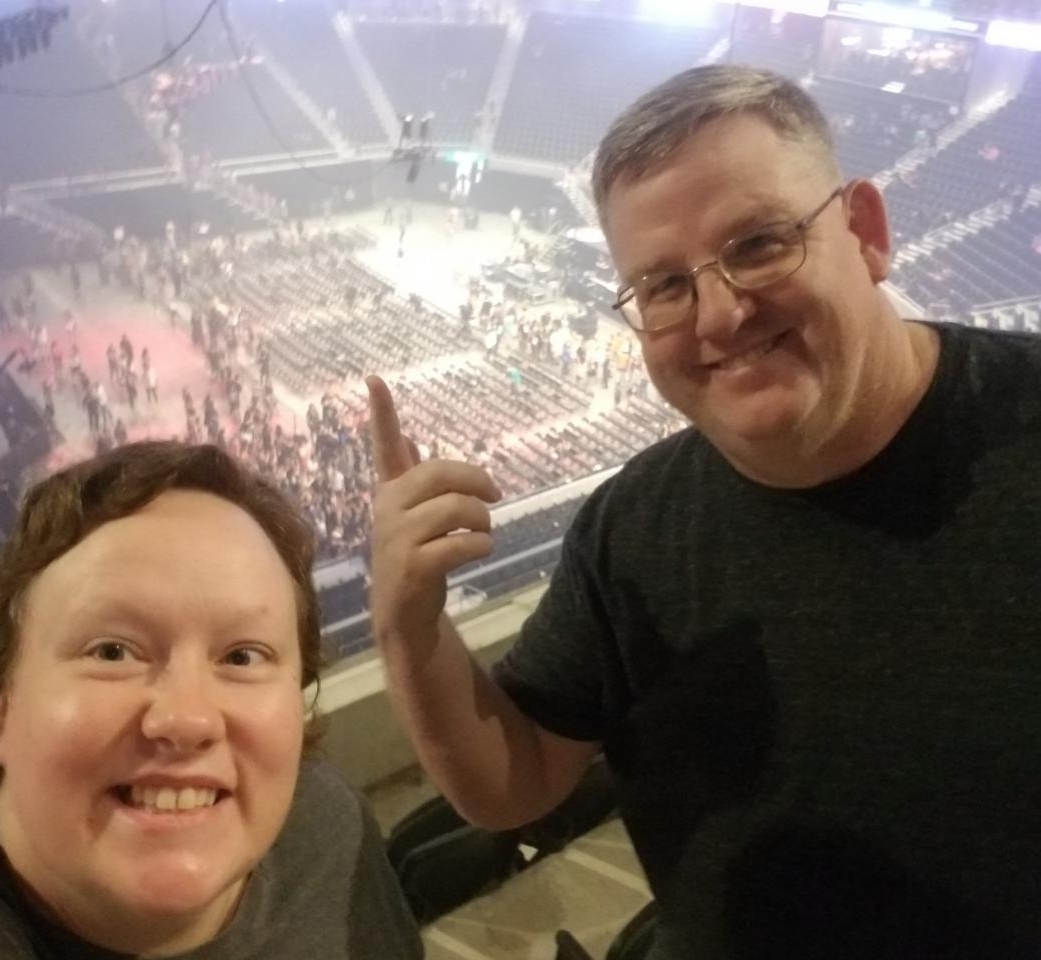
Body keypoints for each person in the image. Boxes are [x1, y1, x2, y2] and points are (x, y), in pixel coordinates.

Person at [365, 64, 1041, 959]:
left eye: (760, 243)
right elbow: (518, 781)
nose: (719, 316)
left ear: (867, 233)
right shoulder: (631, 528)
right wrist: (409, 628)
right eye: (664, 286)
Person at [0, 442, 422, 960]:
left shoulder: (327, 822)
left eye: (242, 657)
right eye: (112, 652)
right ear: (0, 700)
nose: (186, 719)